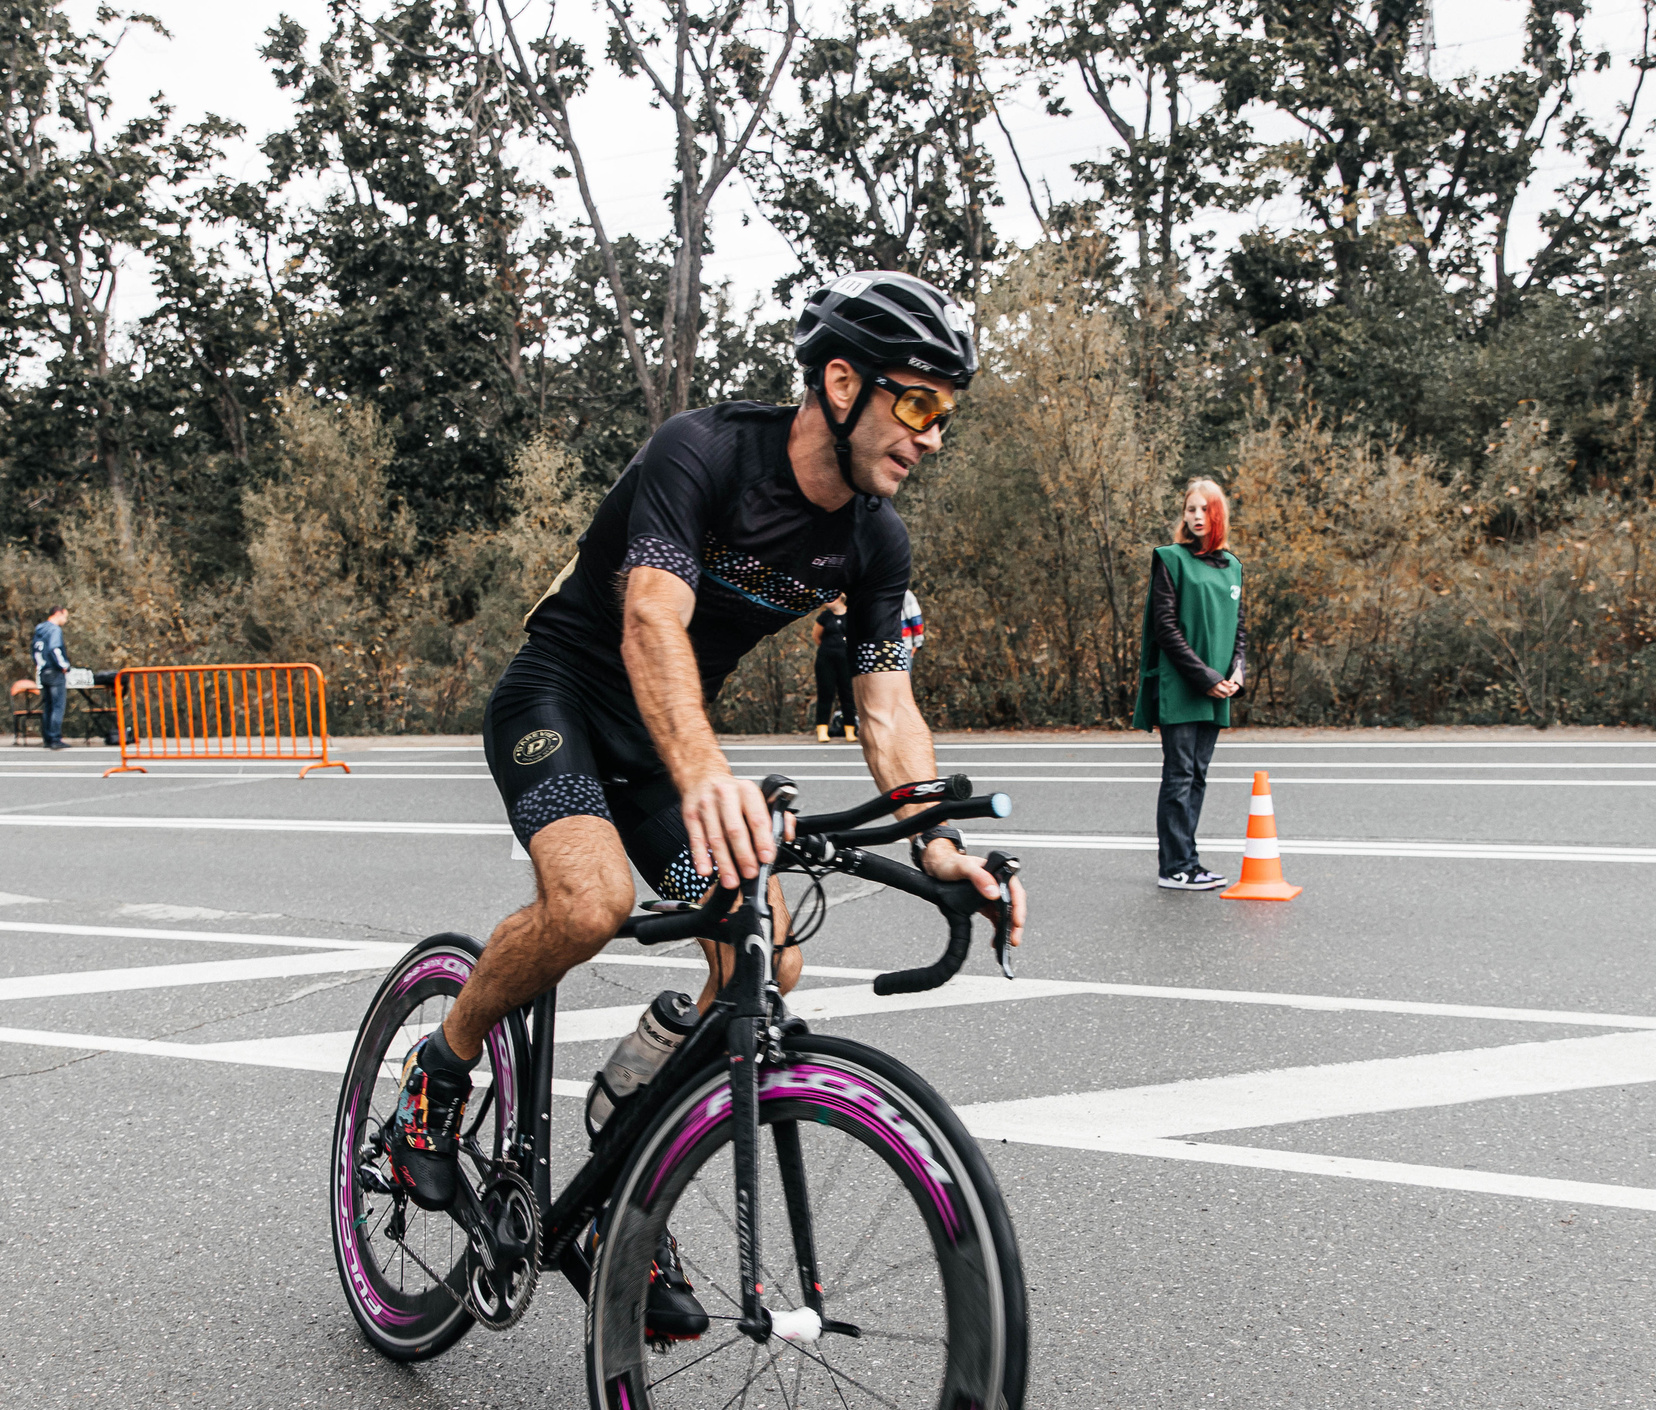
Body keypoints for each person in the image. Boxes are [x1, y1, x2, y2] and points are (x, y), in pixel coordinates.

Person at [387, 269, 1026, 1337]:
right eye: (916, 403)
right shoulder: (704, 453)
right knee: (588, 903)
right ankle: (437, 1074)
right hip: (563, 700)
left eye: (945, 414)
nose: (933, 435)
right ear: (839, 382)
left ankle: (620, 1153)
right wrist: (704, 777)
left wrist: (937, 845)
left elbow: (884, 705)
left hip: (657, 741)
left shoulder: (874, 539)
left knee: (765, 952)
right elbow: (648, 620)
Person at [1136, 478, 1245, 890]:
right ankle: (1175, 867)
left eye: (1204, 509)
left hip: (1218, 689)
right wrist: (1206, 678)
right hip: (1182, 688)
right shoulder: (1170, 559)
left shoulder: (1233, 565)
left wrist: (1237, 673)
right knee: (1180, 774)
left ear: (1218, 514)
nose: (1196, 516)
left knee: (1197, 775)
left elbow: (1239, 630)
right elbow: (1165, 628)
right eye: (1190, 509)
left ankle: (1189, 861)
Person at [811, 594, 853, 742]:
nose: (828, 601)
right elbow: (816, 636)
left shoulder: (851, 614)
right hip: (826, 659)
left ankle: (850, 728)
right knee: (825, 693)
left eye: (832, 597)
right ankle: (822, 729)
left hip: (846, 660)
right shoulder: (824, 616)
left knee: (847, 693)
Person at [32, 604, 72, 750]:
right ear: (58, 613)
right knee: (57, 706)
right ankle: (55, 738)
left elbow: (35, 650)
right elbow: (55, 649)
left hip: (43, 671)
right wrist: (64, 666)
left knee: (48, 706)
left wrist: (39, 665)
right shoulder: (54, 630)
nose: (65, 620)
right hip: (54, 672)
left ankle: (47, 737)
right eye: (65, 616)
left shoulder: (40, 630)